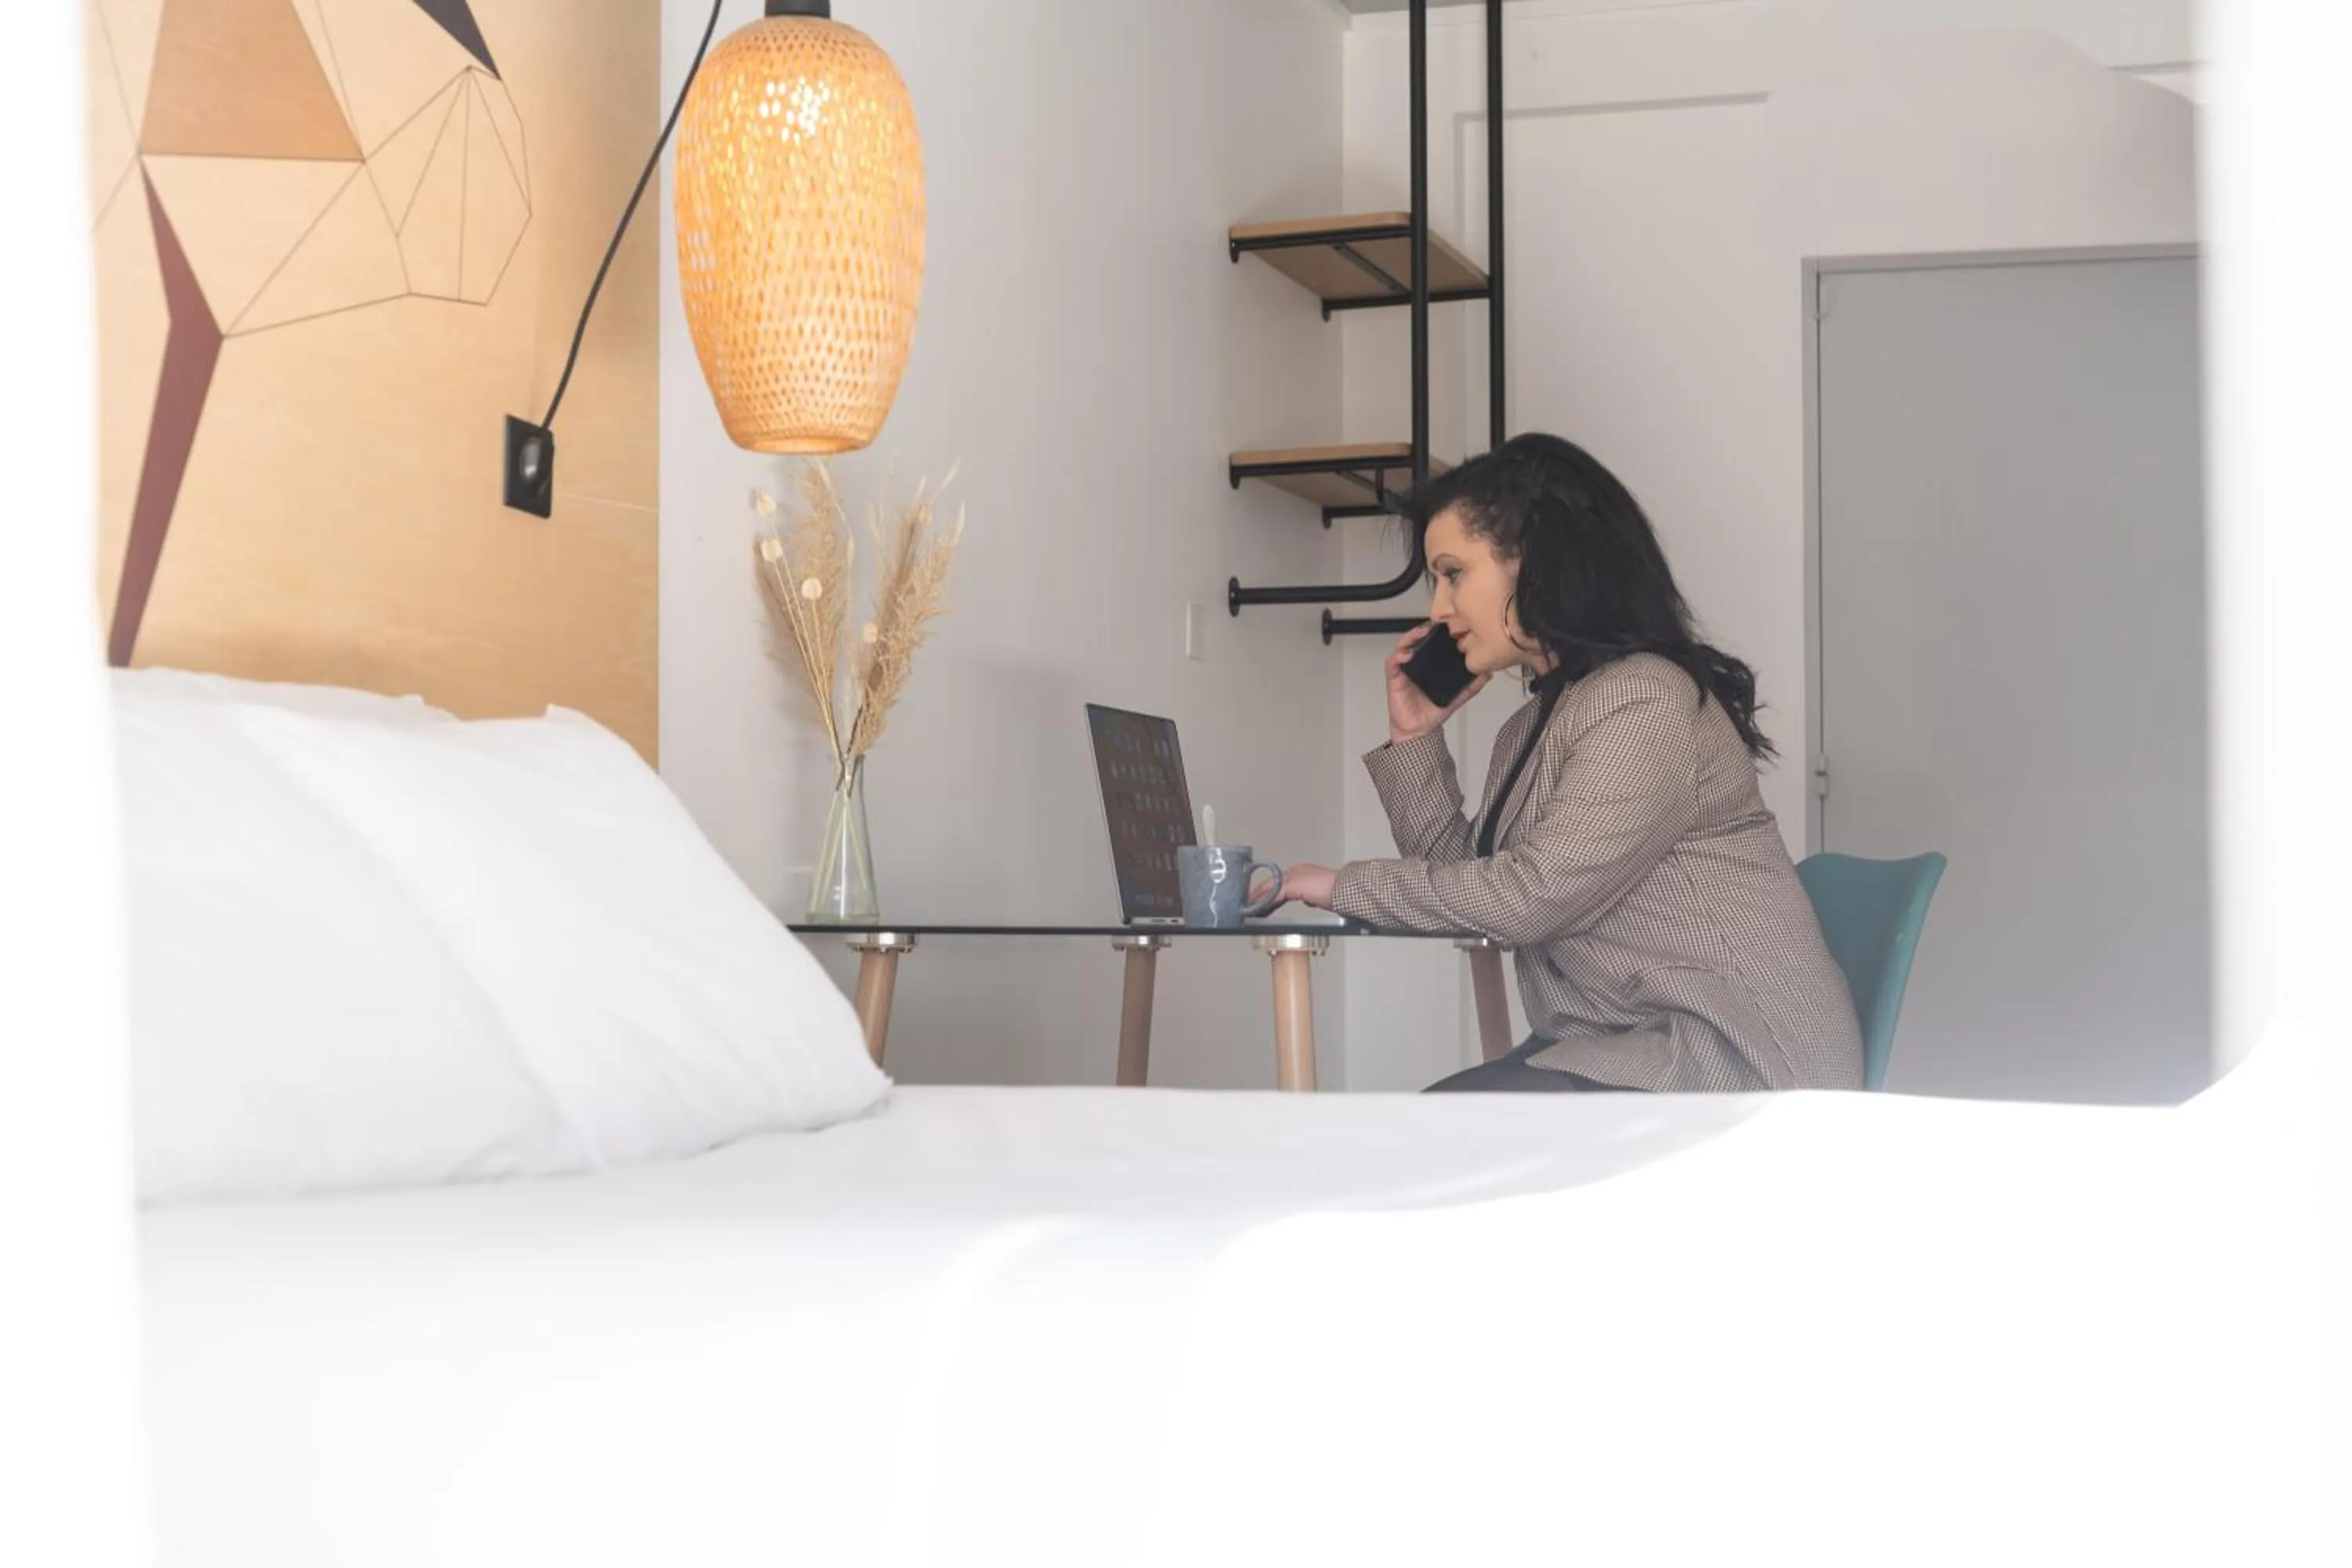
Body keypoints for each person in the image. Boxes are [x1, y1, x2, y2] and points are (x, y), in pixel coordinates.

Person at [1276, 434, 1862, 1092]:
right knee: (1426, 1132)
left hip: (1731, 1058)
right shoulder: (1540, 719)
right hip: (1622, 1044)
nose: (1438, 609)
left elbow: (1527, 900)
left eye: (1454, 574)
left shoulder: (1644, 700)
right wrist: (1414, 739)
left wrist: (1339, 885)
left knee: (1430, 1135)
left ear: (1534, 563)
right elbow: (1472, 883)